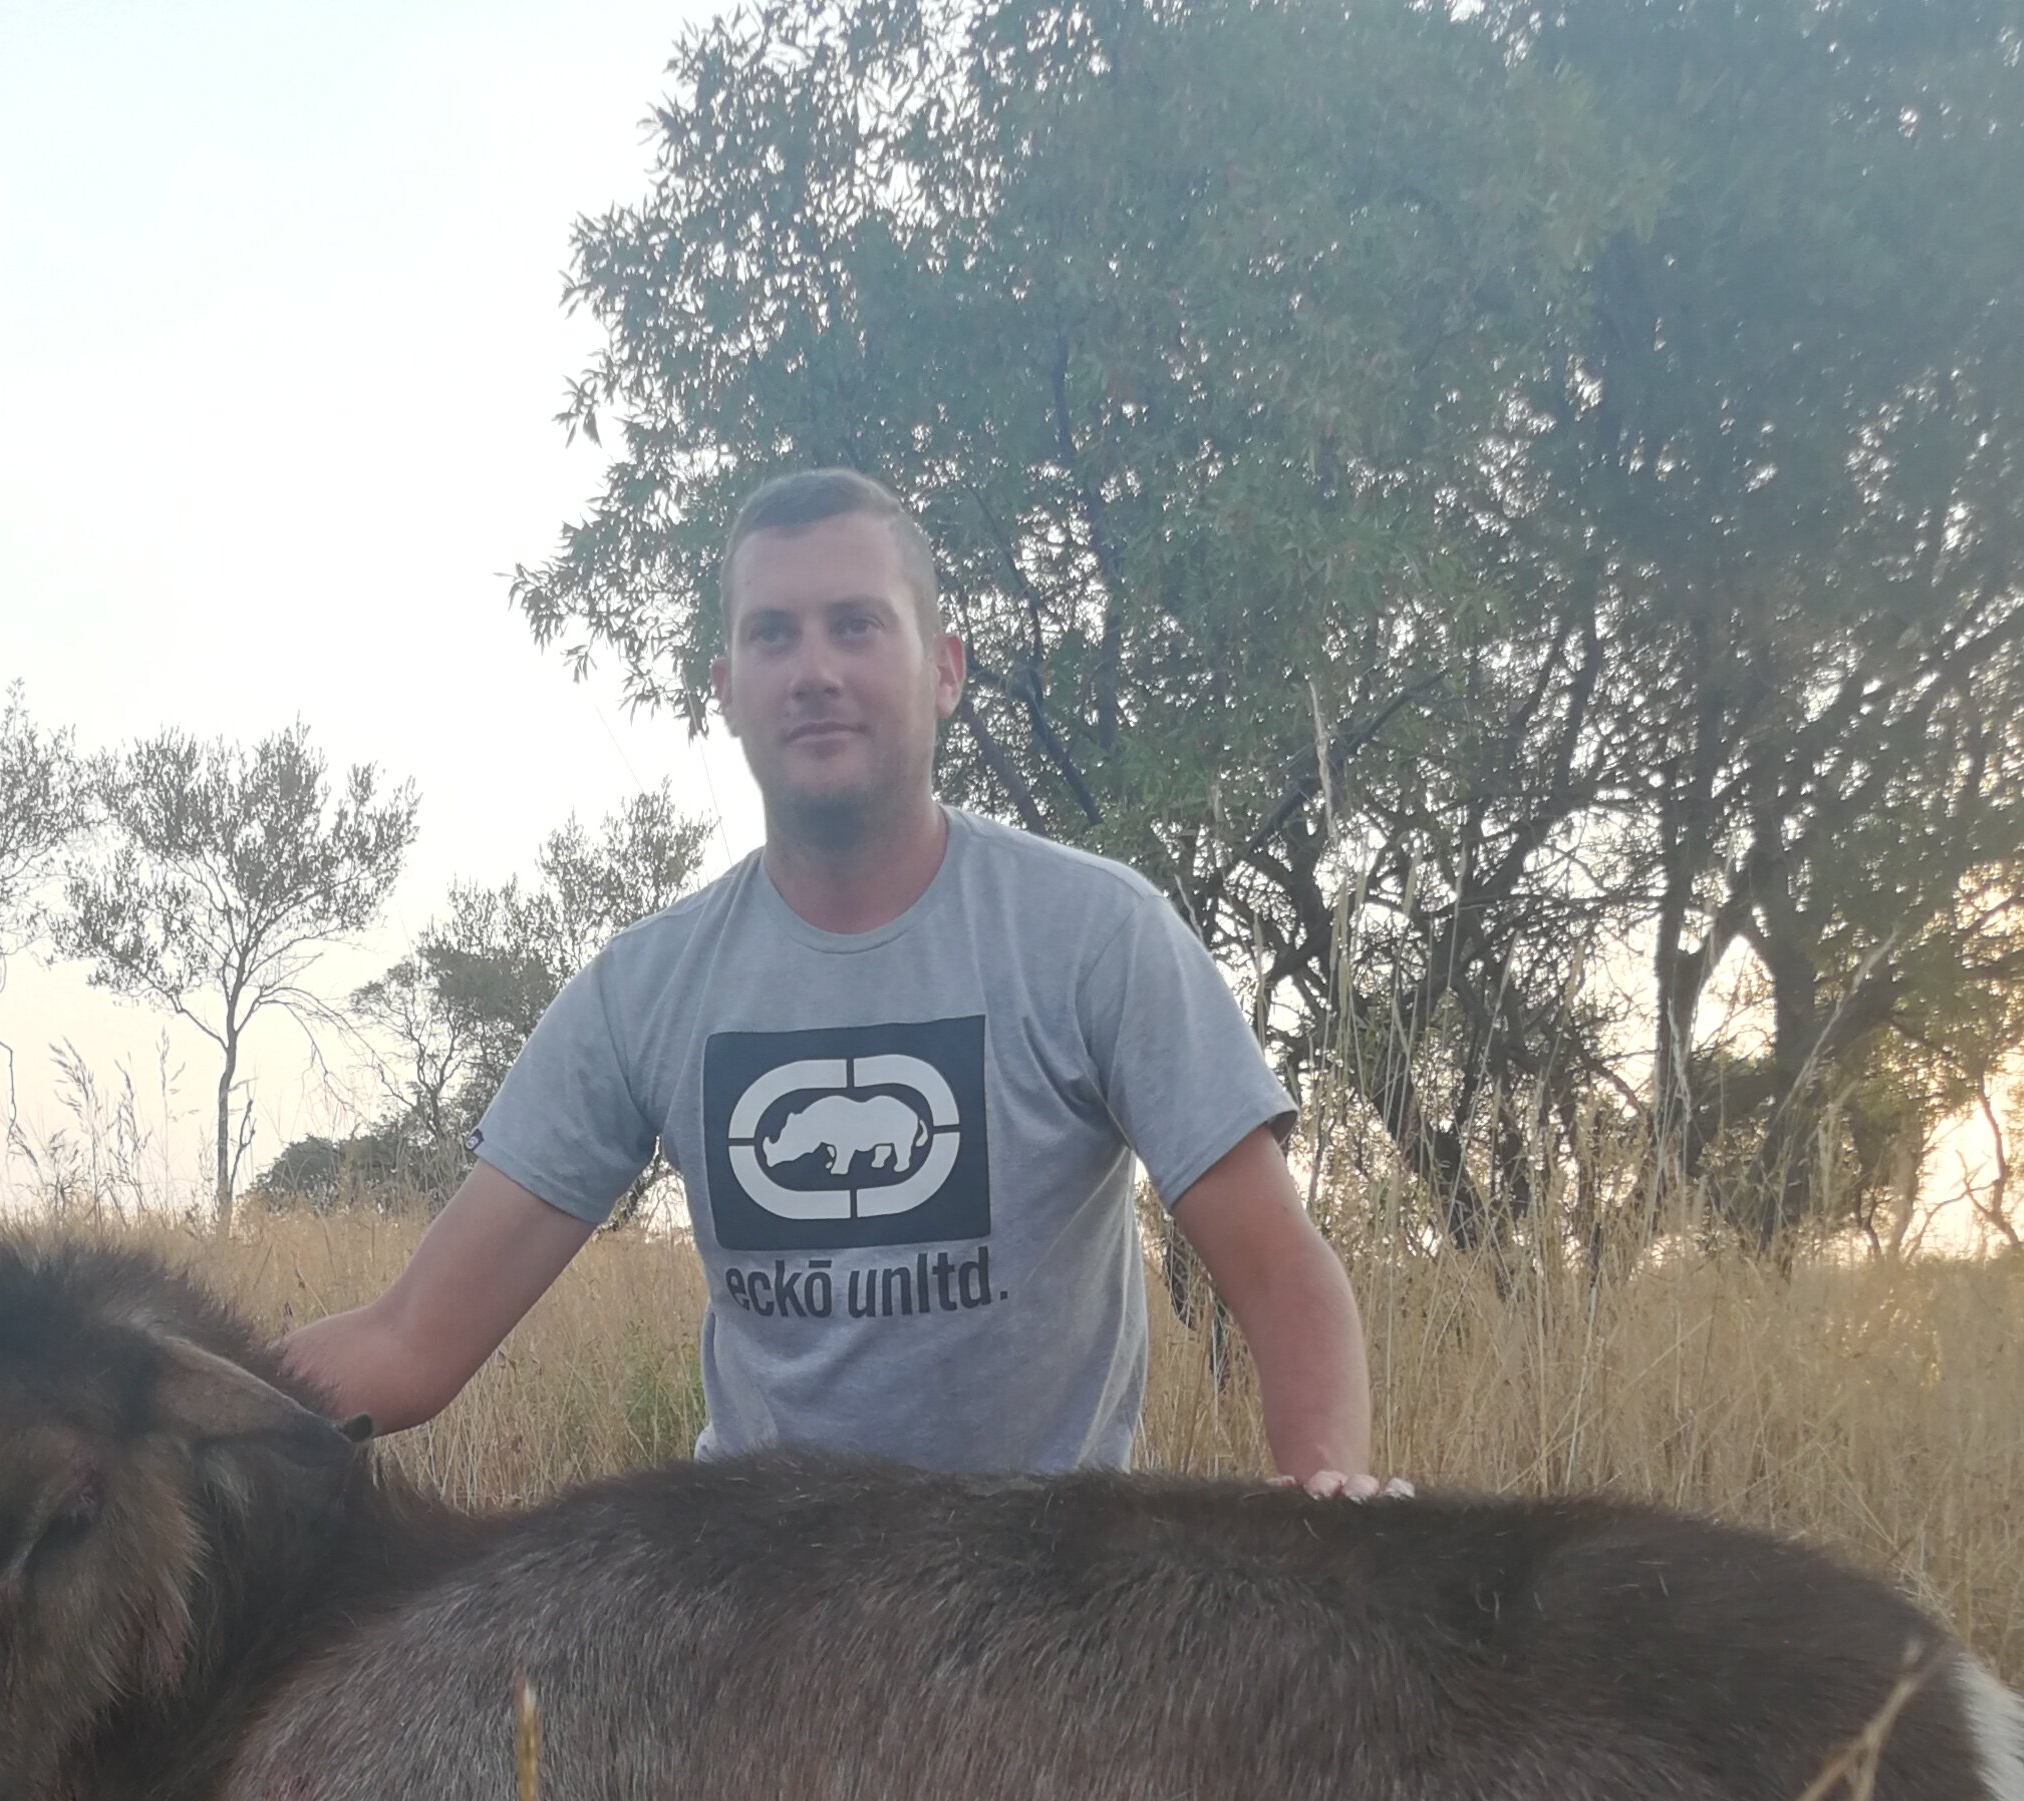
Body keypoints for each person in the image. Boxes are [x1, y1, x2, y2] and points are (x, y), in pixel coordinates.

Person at [280, 467, 1393, 1491]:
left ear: (943, 668)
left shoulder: (1100, 934)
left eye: (856, 626)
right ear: (727, 689)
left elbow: (1281, 1272)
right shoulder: (644, 988)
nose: (814, 671)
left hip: (1047, 1610)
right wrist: (150, 1402)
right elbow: (410, 1345)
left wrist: (1329, 1508)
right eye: (773, 635)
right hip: (757, 1599)